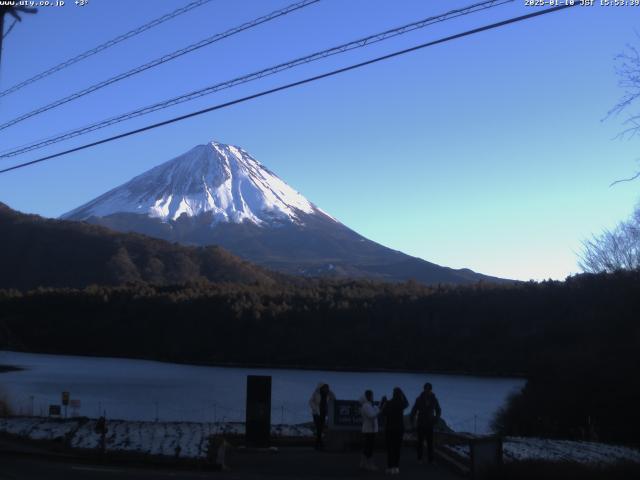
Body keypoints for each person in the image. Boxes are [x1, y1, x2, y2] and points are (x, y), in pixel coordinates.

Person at [410, 382, 442, 464]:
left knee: (430, 442)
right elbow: (414, 410)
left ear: (431, 390)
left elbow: (438, 410)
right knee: (420, 442)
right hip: (420, 423)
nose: (427, 391)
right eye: (426, 389)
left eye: (429, 389)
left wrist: (436, 418)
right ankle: (419, 458)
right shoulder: (419, 399)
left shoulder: (434, 399)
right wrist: (412, 420)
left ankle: (430, 459)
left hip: (430, 423)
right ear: (424, 389)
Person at [380, 387, 409, 475]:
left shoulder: (388, 403)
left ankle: (389, 467)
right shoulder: (401, 404)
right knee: (397, 448)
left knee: (390, 448)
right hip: (399, 429)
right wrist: (403, 394)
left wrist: (383, 402)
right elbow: (407, 403)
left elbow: (383, 413)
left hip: (389, 429)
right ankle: (396, 467)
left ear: (393, 394)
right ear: (399, 395)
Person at [309, 382, 334, 450]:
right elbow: (310, 401)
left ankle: (318, 444)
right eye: (325, 387)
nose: (326, 389)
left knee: (320, 428)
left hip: (324, 413)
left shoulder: (329, 394)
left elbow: (334, 399)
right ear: (321, 387)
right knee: (318, 428)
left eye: (327, 387)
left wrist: (331, 393)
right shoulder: (316, 393)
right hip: (316, 413)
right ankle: (319, 444)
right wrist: (315, 408)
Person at [359, 389, 379, 471]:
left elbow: (374, 412)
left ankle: (363, 463)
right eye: (371, 395)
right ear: (368, 397)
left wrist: (378, 408)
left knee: (367, 448)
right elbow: (372, 415)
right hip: (369, 430)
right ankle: (369, 465)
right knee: (369, 448)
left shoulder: (369, 405)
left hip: (370, 429)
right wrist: (378, 410)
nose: (372, 397)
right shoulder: (366, 406)